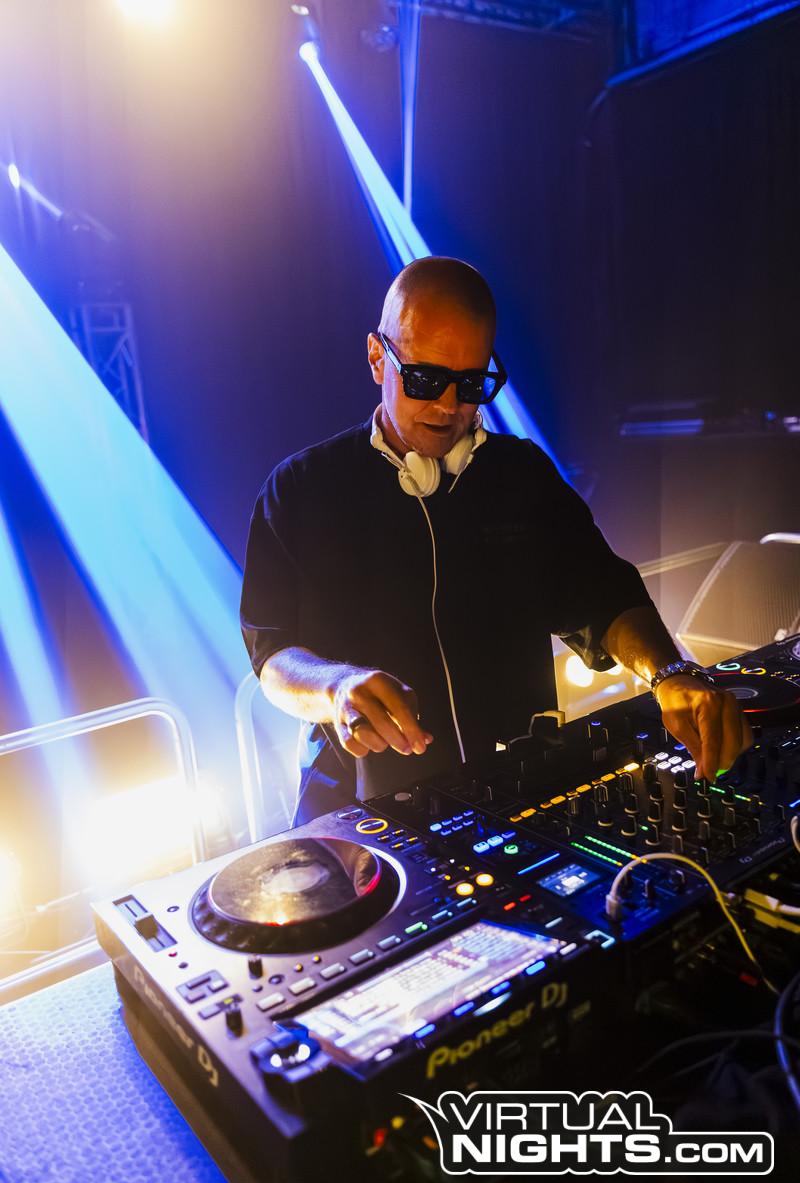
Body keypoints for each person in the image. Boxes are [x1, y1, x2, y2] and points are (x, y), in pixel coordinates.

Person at [240, 258, 750, 825]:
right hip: (359, 812)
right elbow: (273, 654)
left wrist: (669, 673)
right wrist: (335, 687)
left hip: (521, 793)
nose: (449, 406)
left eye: (471, 384)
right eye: (426, 379)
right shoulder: (300, 490)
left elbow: (603, 594)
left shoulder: (522, 475)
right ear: (378, 357)